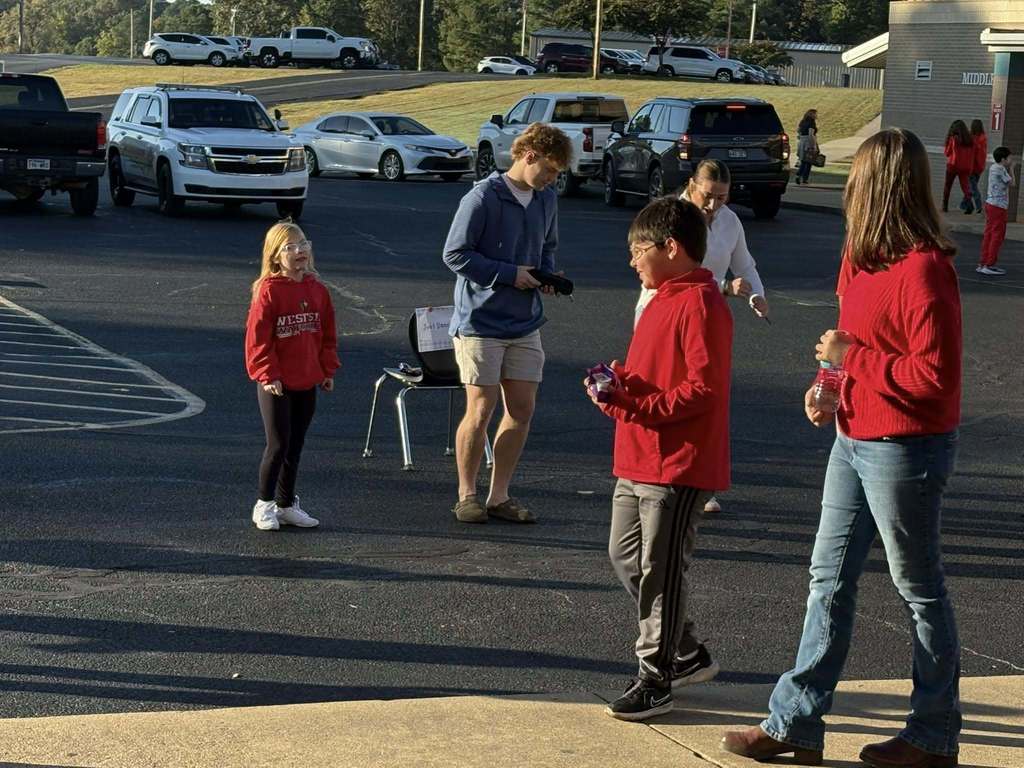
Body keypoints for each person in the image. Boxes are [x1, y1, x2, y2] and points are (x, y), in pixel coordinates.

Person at [721, 128, 963, 768]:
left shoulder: (926, 271)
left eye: (855, 175)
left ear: (876, 185)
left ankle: (933, 735)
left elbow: (932, 378)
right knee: (827, 579)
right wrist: (826, 386)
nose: (847, 183)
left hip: (907, 447)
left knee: (919, 589)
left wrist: (852, 361)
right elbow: (846, 344)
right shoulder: (860, 256)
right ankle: (794, 723)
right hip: (852, 435)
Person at [585, 196, 733, 721]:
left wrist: (635, 403)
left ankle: (656, 677)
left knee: (660, 570)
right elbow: (659, 375)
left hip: (677, 461)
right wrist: (619, 385)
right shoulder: (660, 296)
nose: (632, 260)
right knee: (627, 557)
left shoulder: (700, 303)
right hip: (640, 453)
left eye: (638, 250)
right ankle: (686, 652)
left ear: (671, 248)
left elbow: (703, 390)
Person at [442, 122, 571, 524]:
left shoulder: (546, 198)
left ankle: (499, 495)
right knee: (480, 408)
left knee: (522, 408)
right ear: (528, 155)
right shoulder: (483, 197)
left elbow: (546, 247)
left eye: (556, 175)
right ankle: (467, 495)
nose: (552, 180)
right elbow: (455, 254)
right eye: (549, 170)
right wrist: (509, 274)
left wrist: (546, 277)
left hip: (525, 321)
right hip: (480, 321)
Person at [635, 159, 768, 515]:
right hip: (663, 312)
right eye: (708, 196)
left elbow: (745, 264)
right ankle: (650, 474)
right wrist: (725, 287)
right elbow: (667, 271)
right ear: (692, 184)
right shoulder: (671, 218)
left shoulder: (729, 220)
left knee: (700, 394)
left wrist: (757, 295)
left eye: (722, 198)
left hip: (704, 316)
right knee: (659, 389)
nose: (713, 205)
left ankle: (696, 481)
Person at [245, 221, 339, 531]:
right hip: (276, 383)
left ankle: (286, 504)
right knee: (278, 444)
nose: (299, 251)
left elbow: (326, 335)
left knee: (295, 444)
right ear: (275, 256)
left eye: (303, 244)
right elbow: (259, 340)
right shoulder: (268, 292)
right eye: (289, 247)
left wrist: (326, 370)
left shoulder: (318, 290)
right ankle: (264, 504)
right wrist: (267, 373)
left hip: (306, 380)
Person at [978, 145, 1015, 276]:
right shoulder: (1001, 169)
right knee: (997, 235)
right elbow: (1012, 183)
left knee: (989, 233)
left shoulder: (993, 167)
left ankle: (983, 262)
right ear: (1003, 159)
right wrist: (1011, 168)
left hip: (990, 204)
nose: (1011, 160)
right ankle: (989, 264)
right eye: (1009, 158)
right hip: (998, 206)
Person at [942, 119, 974, 213]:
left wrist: (948, 142)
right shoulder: (969, 140)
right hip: (965, 167)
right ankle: (969, 205)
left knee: (948, 186)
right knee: (965, 187)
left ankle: (945, 206)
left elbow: (947, 153)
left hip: (953, 165)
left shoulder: (953, 139)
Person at [962, 118, 987, 214]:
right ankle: (965, 205)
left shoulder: (972, 139)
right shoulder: (983, 138)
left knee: (972, 188)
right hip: (979, 168)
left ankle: (977, 205)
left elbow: (970, 153)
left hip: (971, 167)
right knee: (971, 187)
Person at [795, 109, 819, 185]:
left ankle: (799, 175)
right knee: (809, 161)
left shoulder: (802, 122)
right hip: (808, 142)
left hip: (802, 141)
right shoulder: (812, 122)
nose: (816, 115)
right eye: (815, 114)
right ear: (811, 114)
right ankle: (805, 179)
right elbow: (811, 134)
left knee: (803, 160)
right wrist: (813, 145)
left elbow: (798, 131)